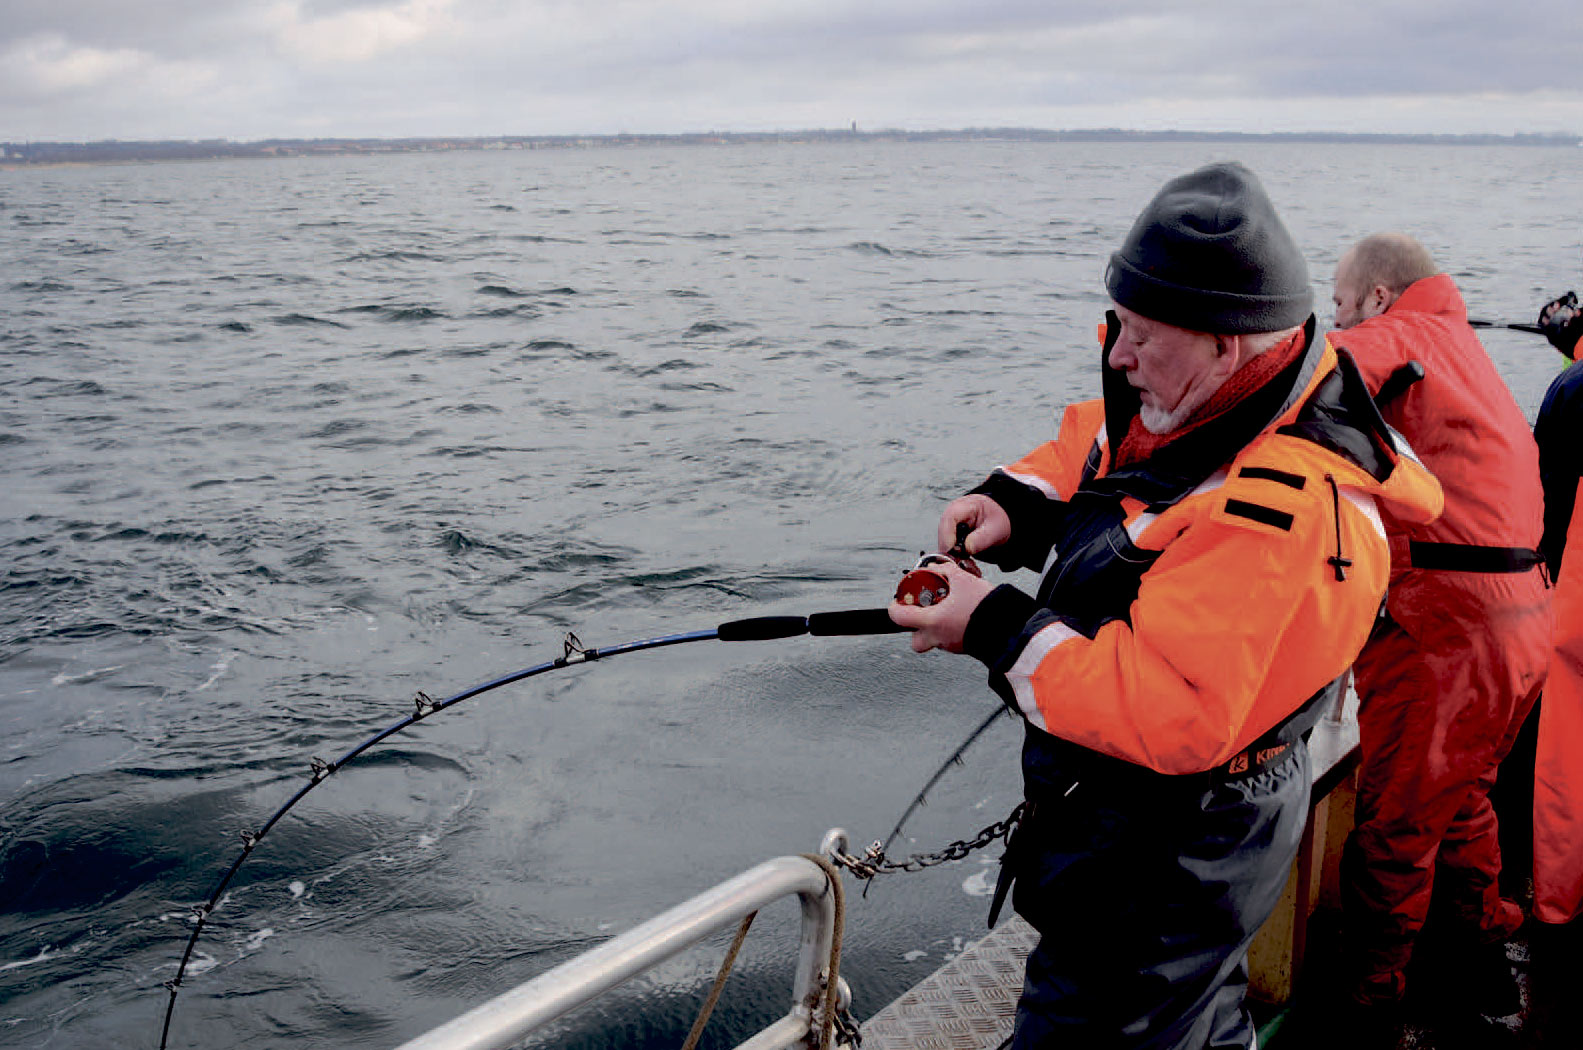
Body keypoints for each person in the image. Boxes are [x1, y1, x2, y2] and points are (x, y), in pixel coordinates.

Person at [888, 163, 1442, 1050]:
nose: (1118, 356)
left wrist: (989, 624)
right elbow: (1107, 442)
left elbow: (1172, 712)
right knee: (1184, 1017)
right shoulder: (1233, 391)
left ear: (1226, 340)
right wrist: (1017, 501)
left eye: (1142, 336)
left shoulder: (1282, 514)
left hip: (1174, 847)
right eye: (1118, 328)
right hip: (1160, 826)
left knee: (1105, 1019)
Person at [1326, 233, 1551, 1023]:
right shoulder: (1461, 349)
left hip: (1448, 627)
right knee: (1463, 799)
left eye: (1340, 307)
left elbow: (1303, 384)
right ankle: (1482, 964)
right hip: (1523, 619)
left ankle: (1368, 1004)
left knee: (1394, 823)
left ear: (1378, 299)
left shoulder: (1393, 336)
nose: (1338, 323)